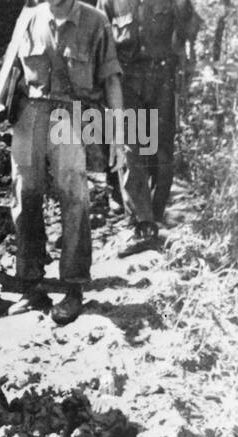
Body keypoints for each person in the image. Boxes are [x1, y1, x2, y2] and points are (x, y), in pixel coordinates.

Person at [6, 0, 124, 325]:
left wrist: (116, 136)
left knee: (74, 198)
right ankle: (31, 285)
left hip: (70, 116)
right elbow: (12, 70)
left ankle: (73, 287)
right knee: (24, 196)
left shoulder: (95, 21)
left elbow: (111, 79)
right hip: (29, 115)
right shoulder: (29, 17)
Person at [95, 0, 201, 254]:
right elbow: (99, 37)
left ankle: (155, 215)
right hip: (127, 81)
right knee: (132, 148)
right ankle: (141, 222)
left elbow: (191, 27)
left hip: (162, 79)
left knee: (161, 150)